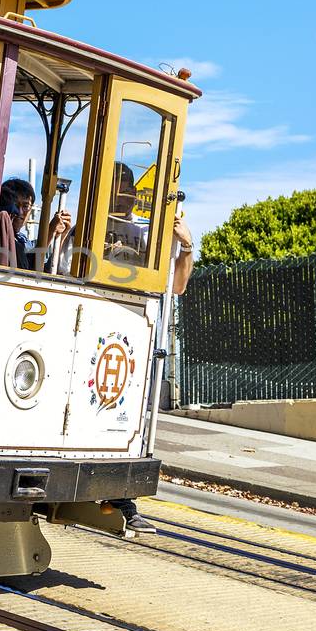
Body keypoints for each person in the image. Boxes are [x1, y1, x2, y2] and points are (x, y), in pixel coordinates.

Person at [114, 211, 195, 534]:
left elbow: (177, 286)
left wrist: (187, 247)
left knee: (132, 419)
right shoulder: (89, 224)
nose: (123, 197)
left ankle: (122, 499)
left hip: (139, 333)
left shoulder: (155, 233)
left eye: (127, 190)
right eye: (117, 189)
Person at [0, 178, 72, 271]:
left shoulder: (24, 243)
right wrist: (49, 232)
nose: (19, 212)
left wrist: (61, 237)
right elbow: (29, 272)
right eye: (15, 205)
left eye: (25, 206)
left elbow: (44, 272)